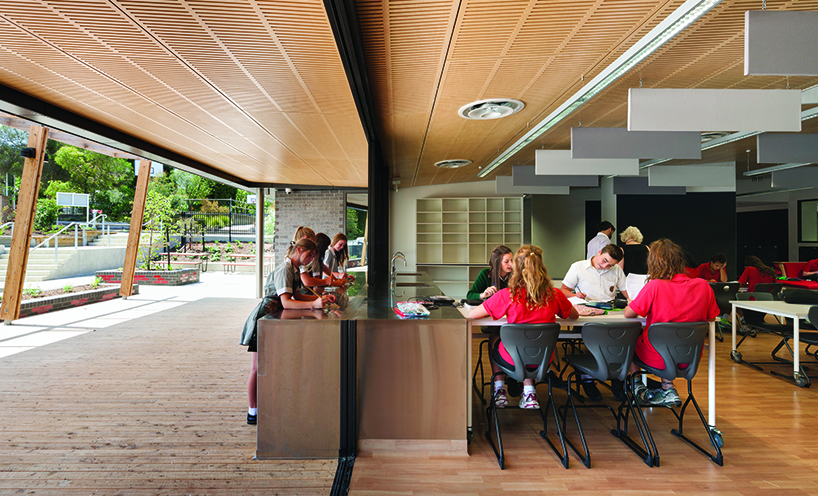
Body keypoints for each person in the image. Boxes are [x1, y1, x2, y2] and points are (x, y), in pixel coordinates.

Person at [469, 245, 578, 409]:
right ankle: (529, 391)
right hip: (543, 360)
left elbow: (472, 315)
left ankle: (499, 390)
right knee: (530, 342)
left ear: (516, 268)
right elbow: (574, 315)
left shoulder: (508, 295)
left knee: (495, 338)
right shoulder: (555, 294)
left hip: (513, 360)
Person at [240, 237, 334, 425]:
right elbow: (286, 302)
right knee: (257, 368)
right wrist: (315, 303)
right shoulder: (284, 269)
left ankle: (268, 406)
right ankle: (253, 411)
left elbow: (297, 294)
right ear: (299, 250)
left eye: (313, 256)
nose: (310, 259)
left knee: (269, 366)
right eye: (309, 255)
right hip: (265, 317)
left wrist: (320, 301)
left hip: (274, 319)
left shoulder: (294, 269)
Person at [624, 239, 719, 407]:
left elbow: (629, 314)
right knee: (670, 339)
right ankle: (667, 387)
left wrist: (631, 302)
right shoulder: (704, 286)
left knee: (630, 340)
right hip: (690, 358)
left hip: (657, 359)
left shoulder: (654, 286)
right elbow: (711, 318)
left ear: (653, 262)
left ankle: (637, 385)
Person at [561, 244, 629, 303]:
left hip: (609, 308)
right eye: (604, 260)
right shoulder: (578, 267)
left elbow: (625, 290)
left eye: (610, 265)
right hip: (586, 306)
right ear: (599, 252)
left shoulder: (616, 269)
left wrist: (632, 301)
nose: (605, 266)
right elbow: (564, 290)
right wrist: (575, 296)